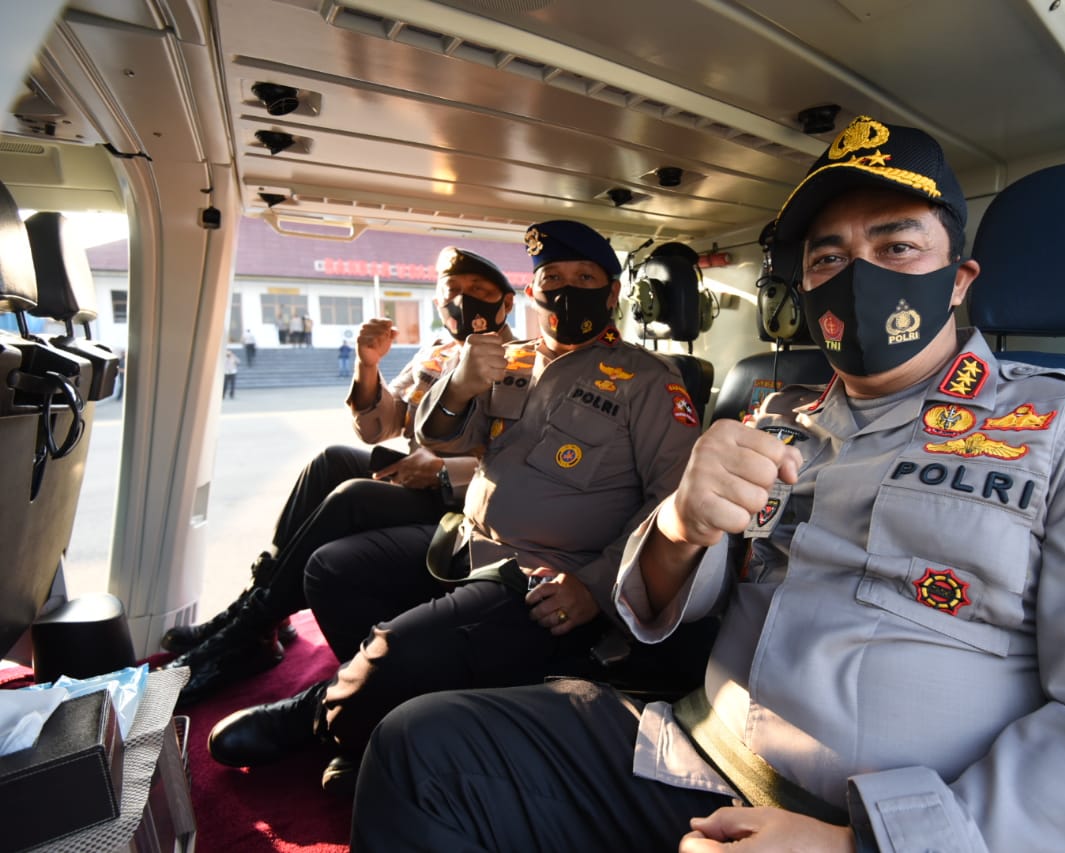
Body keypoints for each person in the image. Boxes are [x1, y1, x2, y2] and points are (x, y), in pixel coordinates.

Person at [350, 116, 1065, 852]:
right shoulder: (773, 418)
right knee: (421, 748)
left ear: (959, 280)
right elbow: (658, 609)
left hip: (883, 828)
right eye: (828, 257)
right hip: (694, 752)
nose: (859, 274)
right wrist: (678, 525)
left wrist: (859, 845)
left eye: (896, 244)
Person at [204, 220, 708, 796]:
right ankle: (381, 716)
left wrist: (594, 586)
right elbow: (440, 438)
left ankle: (323, 713)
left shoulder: (650, 381)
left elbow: (673, 502)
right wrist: (461, 385)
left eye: (585, 278)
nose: (567, 290)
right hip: (467, 540)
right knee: (331, 569)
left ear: (613, 292)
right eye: (552, 278)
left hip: (544, 574)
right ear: (534, 291)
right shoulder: (509, 359)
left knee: (397, 646)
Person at [163, 247, 518, 704]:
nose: (464, 300)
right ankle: (260, 607)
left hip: (466, 499)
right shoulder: (438, 352)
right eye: (453, 291)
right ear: (437, 302)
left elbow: (523, 456)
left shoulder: (522, 361)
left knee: (353, 495)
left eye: (479, 290)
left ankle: (251, 626)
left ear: (506, 303)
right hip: (417, 476)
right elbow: (379, 428)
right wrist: (367, 364)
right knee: (331, 460)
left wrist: (445, 470)